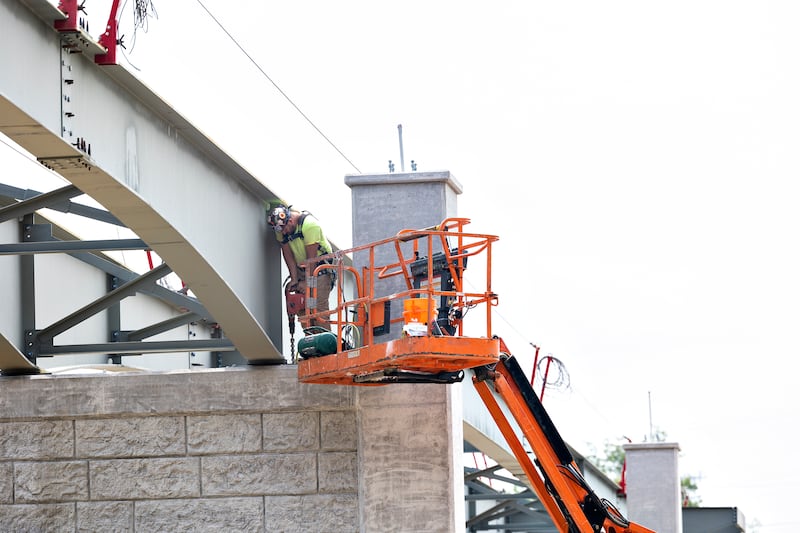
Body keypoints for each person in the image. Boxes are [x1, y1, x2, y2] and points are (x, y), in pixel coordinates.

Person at [268, 205, 334, 330]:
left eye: (285, 230)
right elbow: (288, 254)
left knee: (318, 308)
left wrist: (308, 283)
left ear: (291, 221)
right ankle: (312, 344)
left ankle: (327, 346)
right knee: (303, 310)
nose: (284, 233)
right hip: (303, 269)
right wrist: (294, 279)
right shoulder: (281, 229)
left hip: (320, 269)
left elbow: (312, 259)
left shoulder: (309, 225)